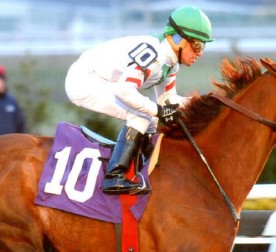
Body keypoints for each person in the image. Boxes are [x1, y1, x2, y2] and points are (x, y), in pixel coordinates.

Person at [65, 5, 213, 194]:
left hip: (102, 80)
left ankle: (141, 170)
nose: (200, 52)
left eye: (203, 46)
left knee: (151, 119)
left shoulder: (171, 64)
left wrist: (202, 102)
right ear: (177, 39)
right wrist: (158, 111)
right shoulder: (155, 56)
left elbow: (167, 100)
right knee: (143, 115)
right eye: (197, 45)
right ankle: (114, 176)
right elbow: (124, 90)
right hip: (84, 80)